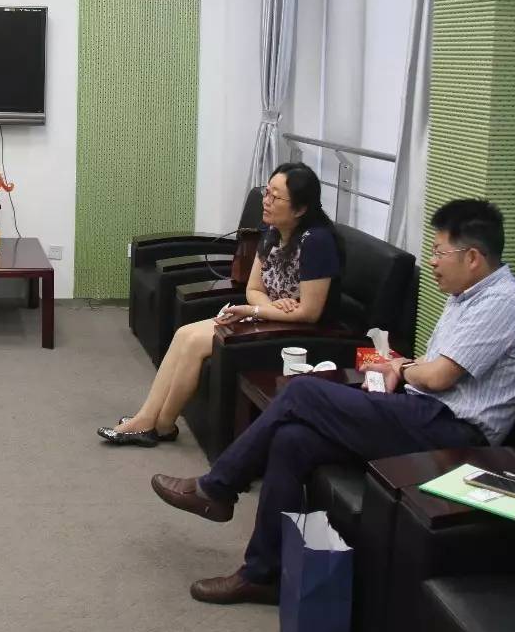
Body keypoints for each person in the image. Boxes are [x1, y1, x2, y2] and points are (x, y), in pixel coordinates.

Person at [150, 199, 515, 605]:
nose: (434, 262)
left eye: (440, 253)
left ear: (472, 257)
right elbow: (433, 366)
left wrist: (403, 368)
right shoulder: (466, 297)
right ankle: (262, 574)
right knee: (292, 440)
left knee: (301, 392)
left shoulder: (499, 305)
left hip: (455, 435)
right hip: (422, 411)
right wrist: (402, 367)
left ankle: (218, 487)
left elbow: (439, 376)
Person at [99, 162, 341, 445]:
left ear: (300, 209)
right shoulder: (272, 231)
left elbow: (310, 312)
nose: (266, 201)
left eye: (276, 197)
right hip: (271, 317)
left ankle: (158, 424)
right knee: (184, 334)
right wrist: (269, 308)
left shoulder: (317, 243)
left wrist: (257, 311)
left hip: (297, 333)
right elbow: (254, 288)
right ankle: (151, 420)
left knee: (195, 343)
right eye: (267, 192)